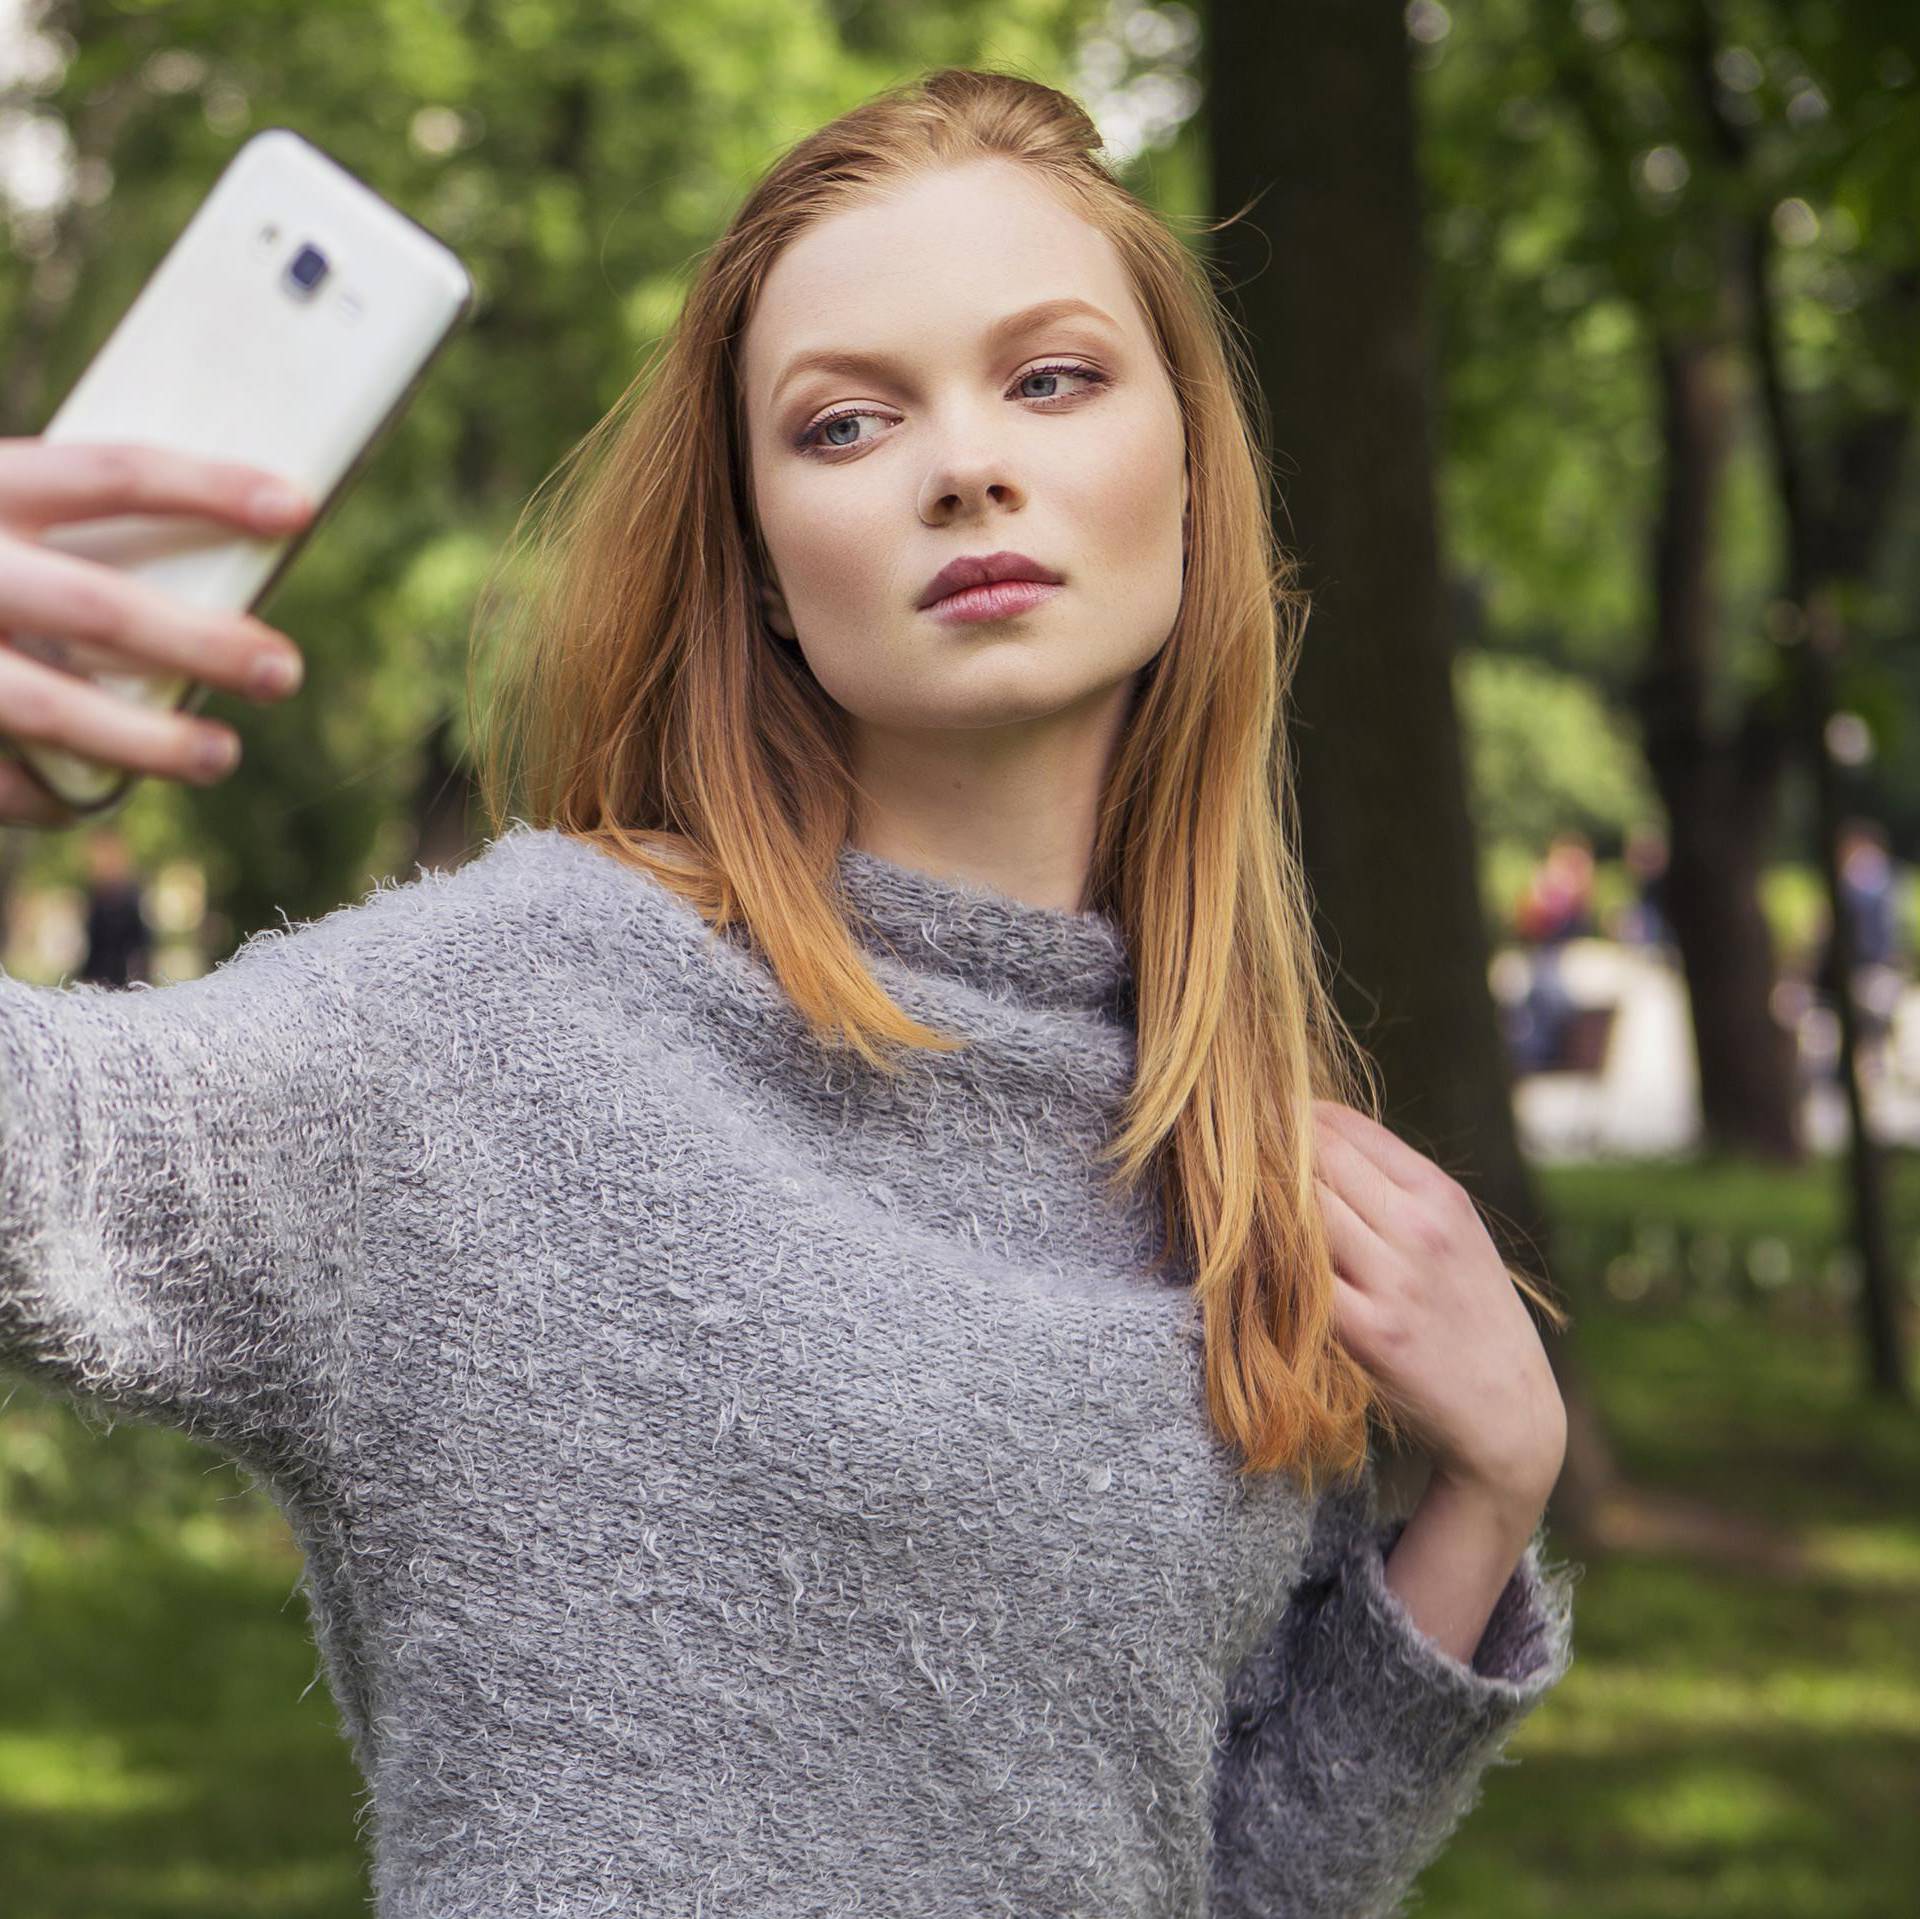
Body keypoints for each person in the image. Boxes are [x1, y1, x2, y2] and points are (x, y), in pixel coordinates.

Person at [0, 70, 1576, 1917]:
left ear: (1194, 471)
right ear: (756, 561)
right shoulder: (505, 1023)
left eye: (1051, 378)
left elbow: (1198, 1879)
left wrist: (1490, 1486)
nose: (967, 463)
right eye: (846, 422)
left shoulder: (1220, 1146)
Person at [74, 824, 154, 987]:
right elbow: (94, 946)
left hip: (124, 982)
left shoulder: (130, 893)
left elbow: (139, 942)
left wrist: (139, 981)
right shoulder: (95, 893)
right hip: (97, 980)